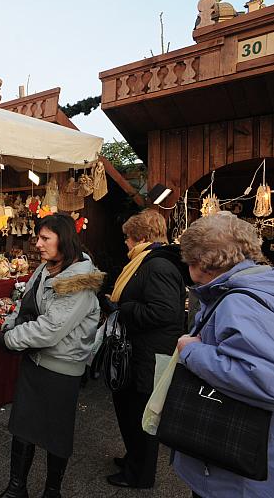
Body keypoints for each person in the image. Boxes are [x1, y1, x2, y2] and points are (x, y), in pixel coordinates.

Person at [0, 214, 104, 498]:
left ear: (63, 241)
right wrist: (10, 322)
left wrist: (10, 339)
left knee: (55, 436)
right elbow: (26, 303)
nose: (38, 244)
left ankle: (51, 492)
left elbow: (51, 329)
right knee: (22, 429)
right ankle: (16, 489)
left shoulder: (78, 281)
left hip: (61, 369)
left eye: (45, 239)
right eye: (38, 237)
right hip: (35, 362)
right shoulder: (45, 268)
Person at [172, 213, 274, 497]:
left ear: (200, 262)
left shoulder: (238, 302)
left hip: (236, 469)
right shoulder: (265, 286)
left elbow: (267, 381)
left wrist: (192, 351)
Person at [105, 209, 186, 489]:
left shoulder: (157, 265)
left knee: (140, 415)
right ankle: (134, 459)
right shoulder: (149, 261)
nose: (125, 243)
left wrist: (122, 308)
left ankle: (139, 474)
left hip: (148, 355)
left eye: (127, 237)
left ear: (140, 237)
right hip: (143, 352)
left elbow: (164, 312)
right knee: (131, 410)